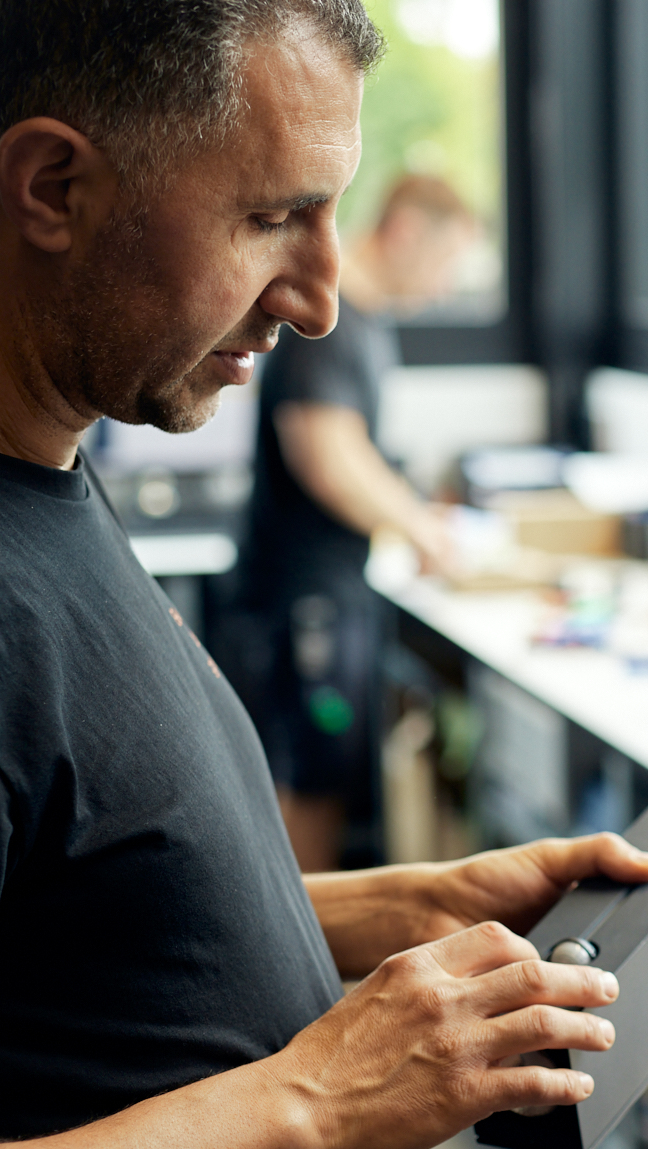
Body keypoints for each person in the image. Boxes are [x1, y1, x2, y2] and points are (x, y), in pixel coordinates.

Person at [0, 3, 648, 1149]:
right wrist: (310, 1095)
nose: (323, 297)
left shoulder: (27, 448)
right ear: (54, 184)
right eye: (274, 217)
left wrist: (402, 904)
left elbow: (49, 912)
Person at [235, 172, 474, 872]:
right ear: (402, 231)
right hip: (302, 599)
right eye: (444, 261)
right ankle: (293, 973)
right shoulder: (328, 319)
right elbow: (327, 455)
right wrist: (421, 529)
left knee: (324, 778)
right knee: (304, 786)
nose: (444, 285)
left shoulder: (367, 318)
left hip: (329, 589)